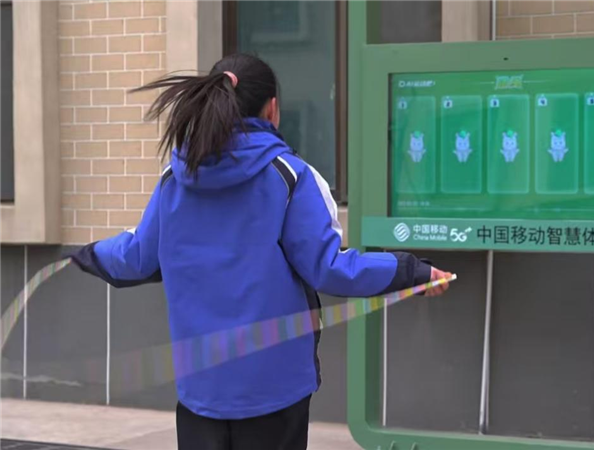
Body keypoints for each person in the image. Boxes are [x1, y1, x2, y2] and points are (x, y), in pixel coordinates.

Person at [69, 53, 452, 450]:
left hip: (201, 392)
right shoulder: (289, 176)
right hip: (275, 392)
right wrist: (412, 272)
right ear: (272, 109)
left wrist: (85, 255)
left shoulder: (176, 179)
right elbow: (330, 268)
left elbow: (136, 258)